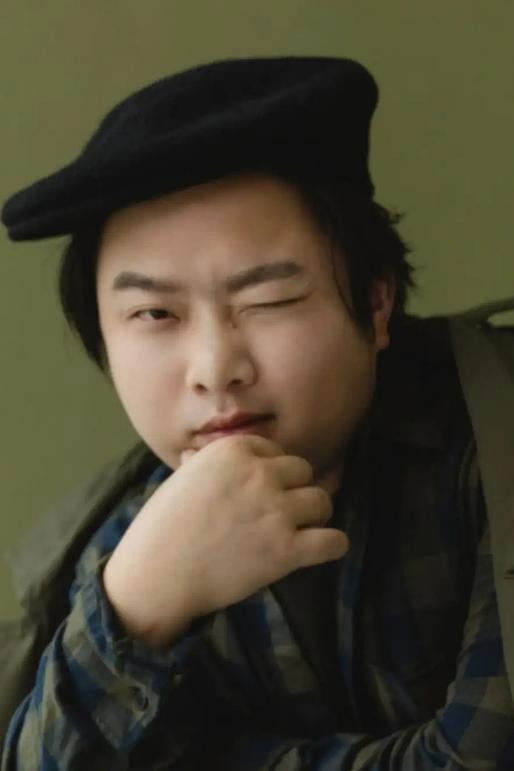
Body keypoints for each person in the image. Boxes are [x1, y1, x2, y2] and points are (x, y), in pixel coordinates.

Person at [1, 55, 513, 769]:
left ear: (376, 301)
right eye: (154, 314)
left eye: (268, 301)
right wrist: (134, 609)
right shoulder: (119, 545)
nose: (215, 369)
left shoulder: (493, 439)